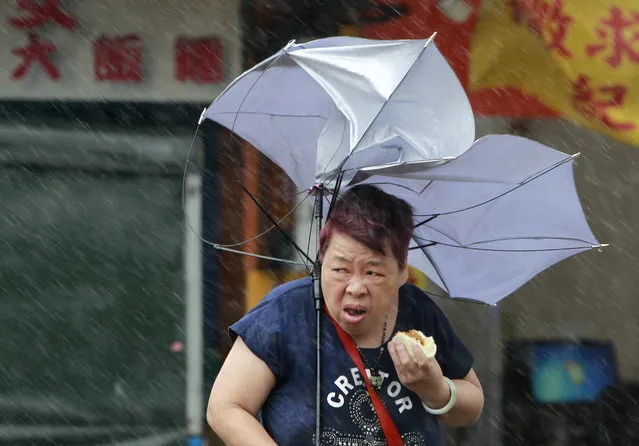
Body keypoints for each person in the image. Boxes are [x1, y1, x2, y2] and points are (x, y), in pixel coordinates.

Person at [207, 184, 484, 446]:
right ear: (322, 260)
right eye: (340, 269)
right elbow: (225, 407)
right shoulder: (285, 312)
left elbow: (473, 405)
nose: (355, 288)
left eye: (373, 272)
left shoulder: (418, 312)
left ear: (402, 272)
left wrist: (436, 389)